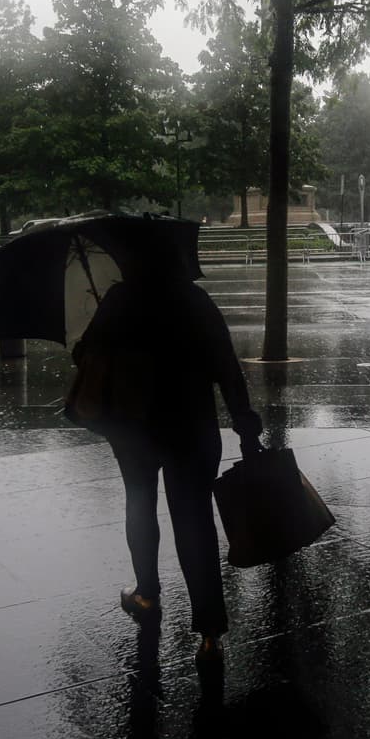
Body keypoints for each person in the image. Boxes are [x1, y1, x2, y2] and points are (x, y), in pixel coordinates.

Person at [74, 267, 262, 664]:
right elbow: (227, 367)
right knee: (195, 524)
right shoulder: (196, 301)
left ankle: (146, 593)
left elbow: (84, 356)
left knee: (139, 504)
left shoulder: (119, 299)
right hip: (192, 426)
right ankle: (210, 634)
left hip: (134, 427)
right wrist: (245, 426)